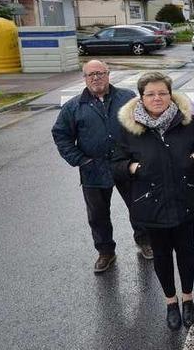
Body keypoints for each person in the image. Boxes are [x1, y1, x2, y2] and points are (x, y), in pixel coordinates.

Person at [111, 72, 194, 330]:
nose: (157, 98)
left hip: (184, 198)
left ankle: (188, 298)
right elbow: (115, 164)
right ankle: (171, 302)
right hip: (151, 203)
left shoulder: (184, 121)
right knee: (162, 256)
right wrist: (134, 168)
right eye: (151, 94)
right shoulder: (129, 128)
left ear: (170, 95)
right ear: (141, 97)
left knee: (187, 252)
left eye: (162, 93)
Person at [52, 60, 151, 273]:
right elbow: (61, 135)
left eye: (100, 73)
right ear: (85, 79)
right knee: (97, 215)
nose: (96, 78)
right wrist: (80, 159)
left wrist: (141, 155)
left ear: (108, 74)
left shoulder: (127, 98)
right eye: (91, 75)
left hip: (126, 166)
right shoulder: (74, 106)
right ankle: (105, 252)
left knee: (138, 206)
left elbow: (145, 125)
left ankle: (144, 241)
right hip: (93, 169)